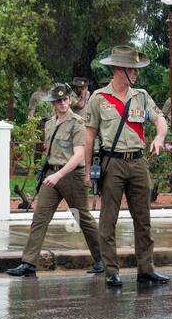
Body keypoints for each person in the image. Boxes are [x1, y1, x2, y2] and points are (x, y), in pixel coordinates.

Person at [81, 46, 170, 288]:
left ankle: (146, 268)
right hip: (113, 162)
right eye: (132, 68)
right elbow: (89, 137)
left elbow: (160, 119)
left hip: (138, 161)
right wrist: (89, 170)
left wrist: (159, 137)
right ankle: (111, 270)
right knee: (108, 219)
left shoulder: (140, 96)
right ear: (119, 69)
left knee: (143, 219)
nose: (136, 73)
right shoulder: (99, 98)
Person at [6, 83, 104, 277]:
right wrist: (48, 172)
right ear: (53, 103)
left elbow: (78, 156)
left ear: (69, 99)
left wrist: (59, 175)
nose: (62, 103)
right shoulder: (49, 123)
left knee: (82, 217)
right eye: (58, 101)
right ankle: (28, 263)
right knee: (40, 218)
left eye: (65, 99)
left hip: (72, 176)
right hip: (52, 174)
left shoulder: (77, 122)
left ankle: (103, 259)